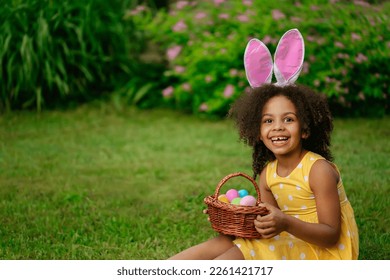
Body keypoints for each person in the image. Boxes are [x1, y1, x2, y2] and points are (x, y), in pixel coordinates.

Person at [168, 29, 359, 260]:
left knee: (238, 255)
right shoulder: (268, 174)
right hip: (288, 239)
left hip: (321, 252)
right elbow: (265, 227)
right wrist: (230, 218)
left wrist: (285, 222)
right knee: (225, 242)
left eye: (288, 119)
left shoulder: (318, 170)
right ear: (257, 132)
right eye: (268, 121)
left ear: (306, 128)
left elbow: (330, 234)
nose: (277, 127)